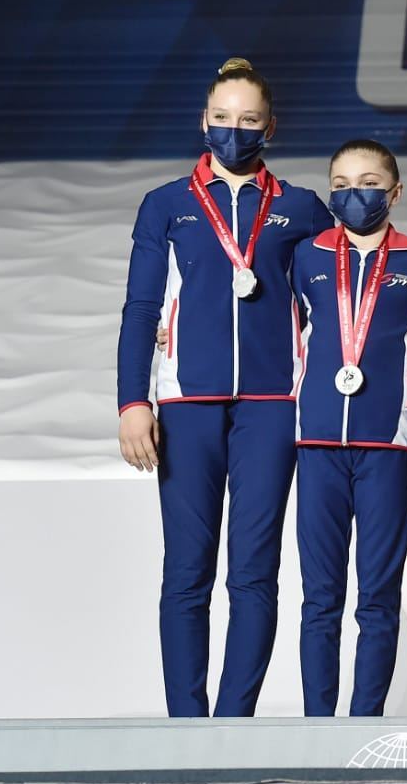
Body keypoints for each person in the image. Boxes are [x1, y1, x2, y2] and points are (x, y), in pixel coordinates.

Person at [116, 57, 334, 717]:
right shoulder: (166, 205)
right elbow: (141, 308)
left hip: (273, 406)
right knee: (186, 572)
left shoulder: (300, 208)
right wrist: (133, 401)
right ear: (203, 121)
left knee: (254, 573)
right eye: (221, 119)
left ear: (271, 125)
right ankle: (187, 723)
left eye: (247, 120)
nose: (233, 131)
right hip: (185, 404)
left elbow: (333, 307)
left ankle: (233, 723)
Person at [291, 140, 407, 716]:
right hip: (318, 443)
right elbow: (279, 330)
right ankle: (316, 726)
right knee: (319, 598)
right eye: (343, 183)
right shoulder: (306, 257)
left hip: (387, 444)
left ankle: (364, 723)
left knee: (378, 597)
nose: (356, 194)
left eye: (370, 182)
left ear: (394, 192)